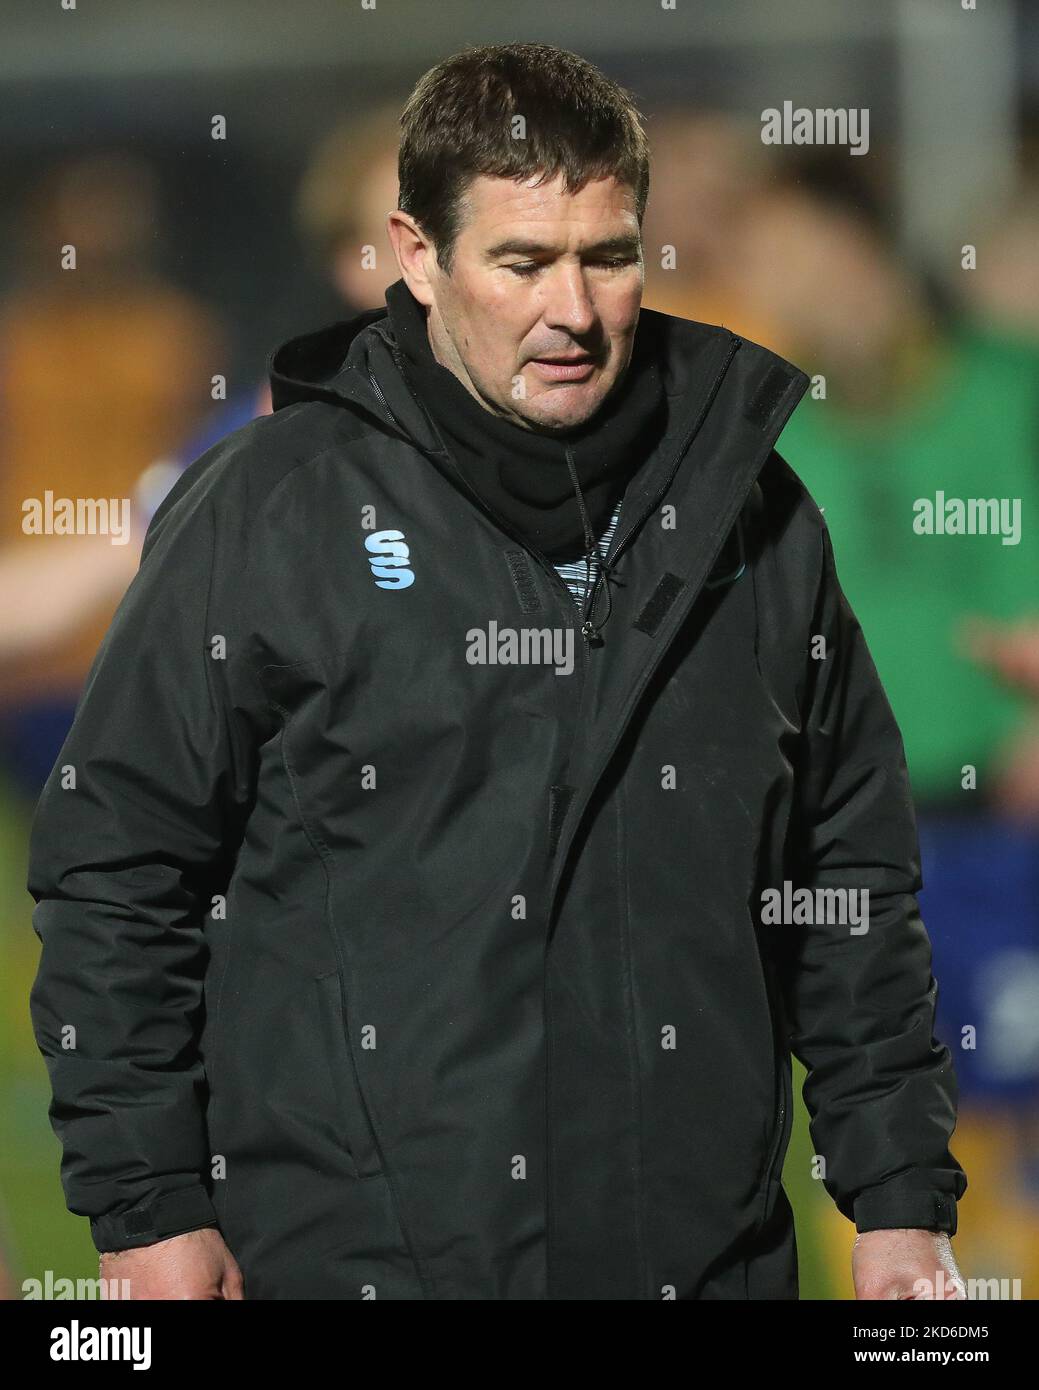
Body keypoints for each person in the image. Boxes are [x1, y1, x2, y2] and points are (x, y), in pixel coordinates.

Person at [27, 41, 967, 1301]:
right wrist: (145, 1210)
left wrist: (897, 1198)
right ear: (416, 256)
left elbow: (843, 869)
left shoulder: (752, 508)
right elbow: (116, 866)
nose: (571, 312)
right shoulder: (270, 510)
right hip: (348, 1263)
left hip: (705, 1263)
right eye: (522, 262)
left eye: (608, 258)